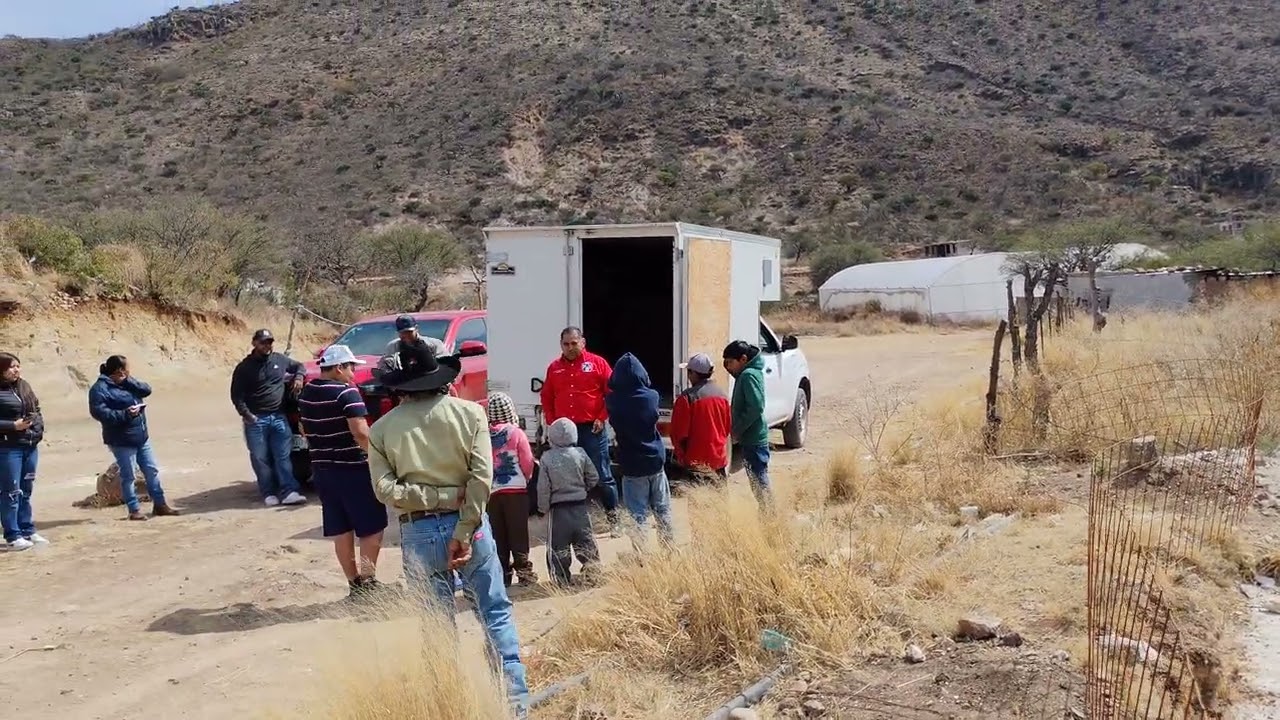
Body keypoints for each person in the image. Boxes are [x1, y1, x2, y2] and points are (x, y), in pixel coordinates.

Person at [367, 339, 529, 716]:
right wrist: (462, 527)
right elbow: (482, 479)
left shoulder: (382, 430)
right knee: (495, 613)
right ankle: (517, 706)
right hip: (471, 527)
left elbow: (384, 490)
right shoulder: (470, 415)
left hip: (419, 533)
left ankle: (449, 706)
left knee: (436, 626)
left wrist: (434, 498)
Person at [298, 345, 387, 599]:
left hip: (322, 469)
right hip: (353, 468)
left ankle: (354, 585)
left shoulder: (307, 392)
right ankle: (369, 584)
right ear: (338, 368)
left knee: (341, 528)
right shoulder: (347, 394)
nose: (354, 372)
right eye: (351, 367)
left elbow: (304, 429)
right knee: (372, 526)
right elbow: (360, 433)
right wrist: (378, 458)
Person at [540, 326, 620, 535]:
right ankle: (576, 524)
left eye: (574, 343)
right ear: (561, 345)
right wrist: (552, 422)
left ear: (582, 342)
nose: (570, 348)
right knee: (567, 478)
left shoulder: (597, 364)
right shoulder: (554, 368)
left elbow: (611, 393)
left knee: (603, 475)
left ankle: (615, 519)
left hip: (591, 429)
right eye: (566, 344)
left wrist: (602, 417)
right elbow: (547, 397)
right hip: (565, 433)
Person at [88, 355, 180, 521]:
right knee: (128, 475)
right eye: (127, 370)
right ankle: (134, 510)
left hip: (141, 436)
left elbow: (146, 390)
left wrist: (128, 381)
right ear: (118, 370)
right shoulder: (99, 389)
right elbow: (100, 413)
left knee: (151, 470)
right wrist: (125, 414)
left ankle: (160, 504)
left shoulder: (126, 383)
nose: (129, 372)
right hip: (121, 439)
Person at [229, 329, 307, 507]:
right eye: (263, 342)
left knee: (283, 456)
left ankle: (289, 491)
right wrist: (247, 415)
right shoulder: (244, 367)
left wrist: (299, 377)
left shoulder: (279, 360)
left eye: (270, 342)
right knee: (260, 458)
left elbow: (299, 366)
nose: (267, 346)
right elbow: (236, 395)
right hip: (257, 420)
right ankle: (268, 492)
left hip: (279, 417)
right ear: (254, 343)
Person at [604, 353, 673, 550]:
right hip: (655, 460)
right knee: (663, 509)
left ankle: (641, 556)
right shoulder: (652, 397)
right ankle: (669, 549)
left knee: (638, 514)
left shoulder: (613, 401)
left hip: (631, 463)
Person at [536, 418, 602, 585]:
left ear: (551, 437)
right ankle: (593, 571)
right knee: (586, 541)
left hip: (558, 511)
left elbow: (543, 487)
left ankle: (561, 579)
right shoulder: (580, 453)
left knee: (558, 547)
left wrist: (542, 508)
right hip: (580, 506)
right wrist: (584, 489)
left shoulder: (547, 458)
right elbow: (593, 476)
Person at [487, 391, 538, 587]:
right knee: (518, 533)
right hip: (516, 492)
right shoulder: (516, 433)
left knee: (498, 535)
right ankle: (524, 572)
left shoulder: (483, 434)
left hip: (492, 494)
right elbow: (527, 461)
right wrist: (527, 478)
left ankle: (503, 575)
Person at [0, 353, 44, 551]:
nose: (16, 370)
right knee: (11, 492)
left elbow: (37, 409)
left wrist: (37, 429)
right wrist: (12, 426)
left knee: (26, 489)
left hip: (30, 446)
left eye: (18, 365)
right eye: (11, 367)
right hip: (8, 448)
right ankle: (12, 534)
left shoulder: (24, 386)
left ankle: (27, 529)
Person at [670, 353, 732, 487]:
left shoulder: (687, 398)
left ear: (693, 373)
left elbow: (679, 433)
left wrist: (681, 457)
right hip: (718, 461)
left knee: (698, 505)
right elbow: (727, 429)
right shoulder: (723, 395)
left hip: (696, 463)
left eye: (689, 371)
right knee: (719, 504)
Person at [722, 340, 771, 507]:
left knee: (759, 482)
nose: (728, 368)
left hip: (754, 438)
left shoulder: (748, 375)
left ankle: (770, 517)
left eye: (730, 363)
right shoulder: (747, 373)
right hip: (751, 438)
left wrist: (737, 430)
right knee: (758, 480)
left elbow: (756, 407)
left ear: (743, 359)